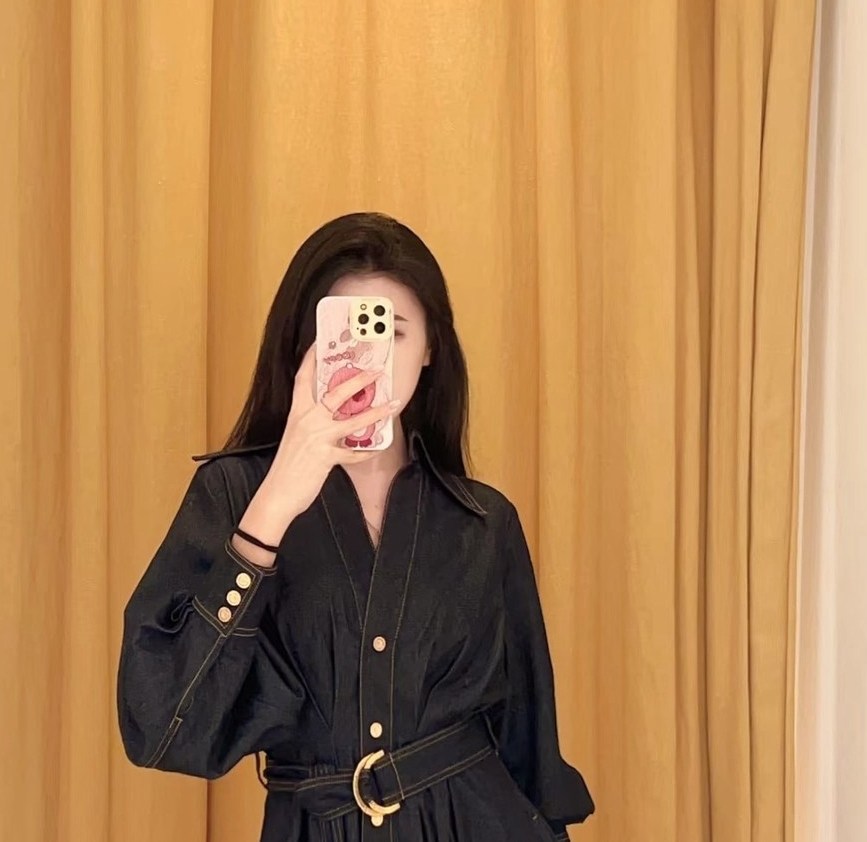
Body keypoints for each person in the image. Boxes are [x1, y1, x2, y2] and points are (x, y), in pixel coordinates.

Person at [117, 213, 595, 841]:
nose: (368, 358)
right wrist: (273, 508)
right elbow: (159, 725)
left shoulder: (484, 523)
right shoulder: (236, 495)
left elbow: (529, 745)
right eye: (344, 334)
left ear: (431, 349)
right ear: (305, 347)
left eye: (392, 333)